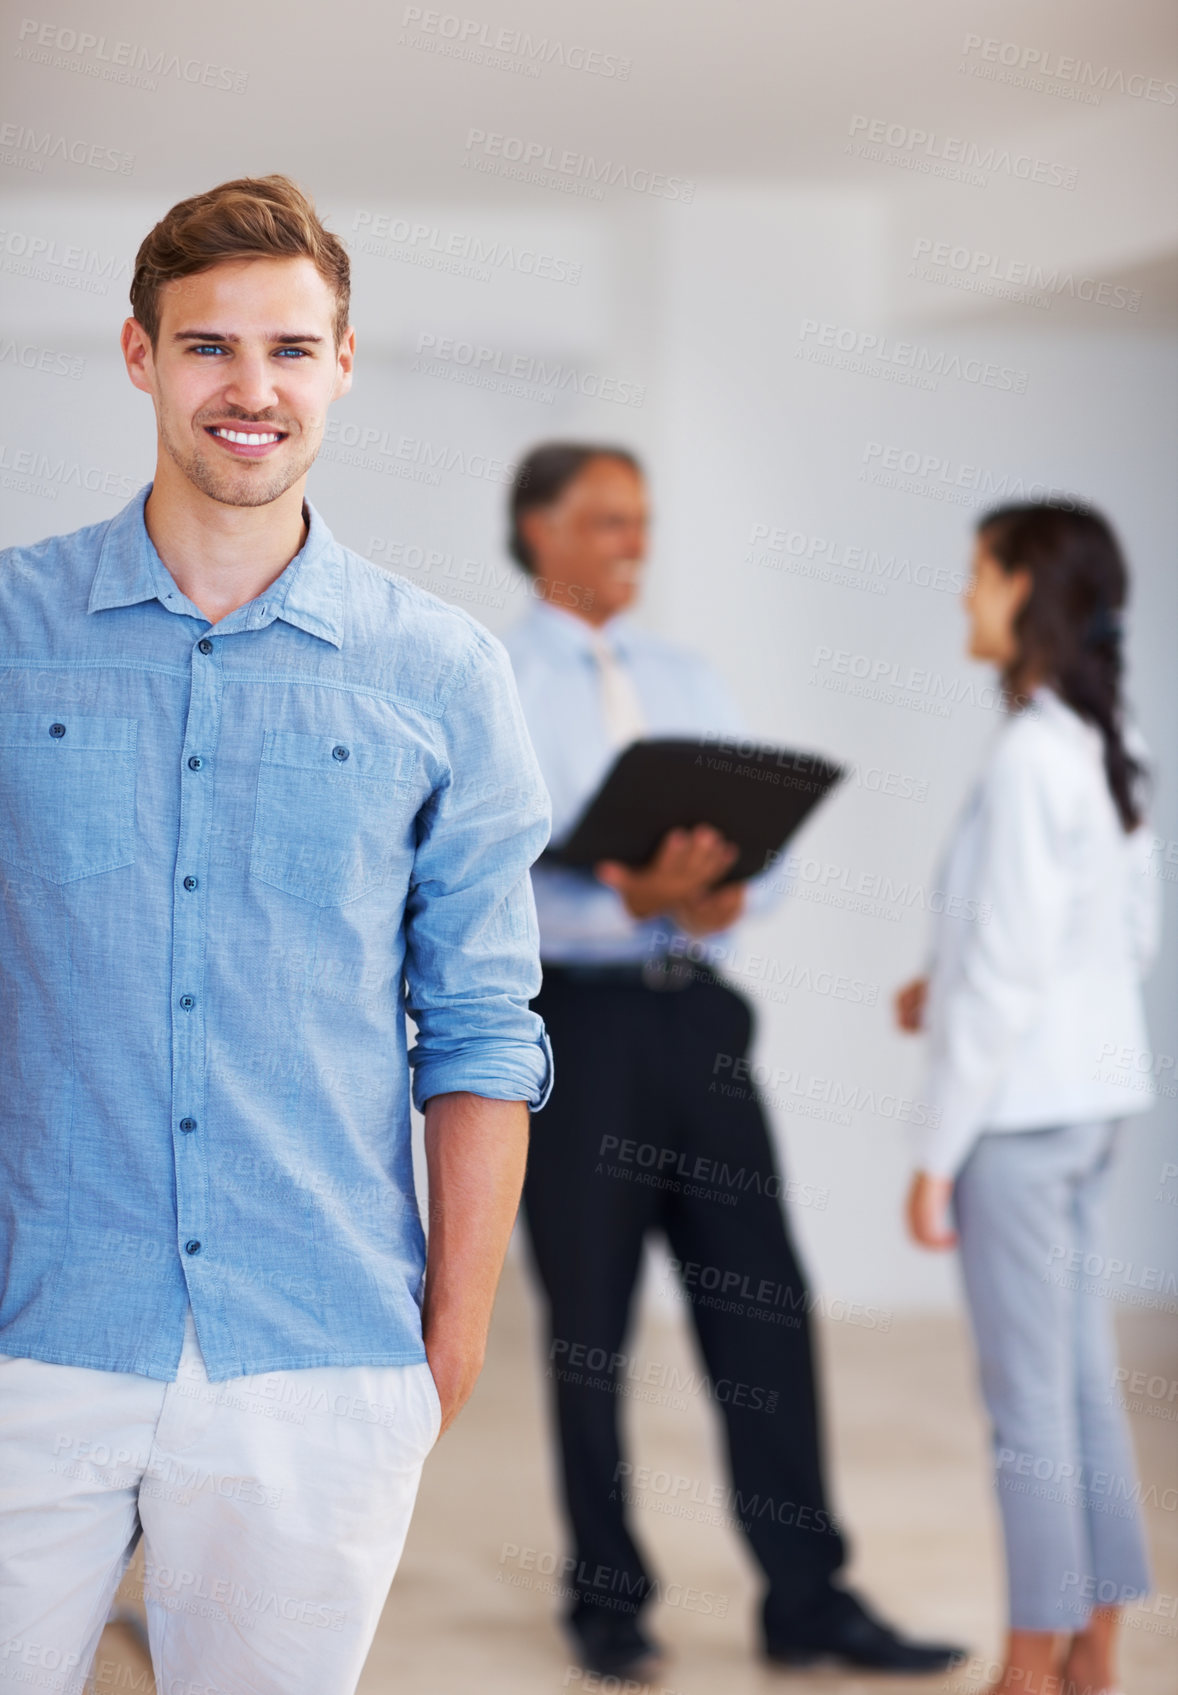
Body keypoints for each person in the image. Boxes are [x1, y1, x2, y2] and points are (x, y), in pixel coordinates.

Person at [0, 176, 552, 1694]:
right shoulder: (9, 630)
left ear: (344, 363)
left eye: (291, 350)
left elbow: (485, 1025)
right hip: (31, 1325)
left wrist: (448, 1337)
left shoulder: (440, 673)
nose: (251, 389)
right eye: (208, 348)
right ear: (138, 355)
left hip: (319, 1342)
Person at [501, 441, 963, 1680]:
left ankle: (806, 1597)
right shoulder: (487, 678)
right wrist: (621, 890)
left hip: (697, 1022)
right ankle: (606, 1607)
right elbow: (474, 873)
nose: (630, 547)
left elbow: (775, 844)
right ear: (537, 530)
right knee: (589, 1331)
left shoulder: (685, 671)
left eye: (640, 524)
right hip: (574, 1029)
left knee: (762, 1309)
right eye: (605, 523)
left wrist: (714, 900)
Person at [895, 502, 1159, 1695]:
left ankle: (1027, 1660)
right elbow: (1119, 940)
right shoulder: (1111, 742)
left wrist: (932, 1154)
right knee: (1078, 1384)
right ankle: (1092, 1644)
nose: (962, 597)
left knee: (1023, 1407)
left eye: (977, 576)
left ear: (1025, 593)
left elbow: (1005, 976)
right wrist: (939, 985)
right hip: (1093, 1101)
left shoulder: (1022, 758)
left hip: (1011, 1117)